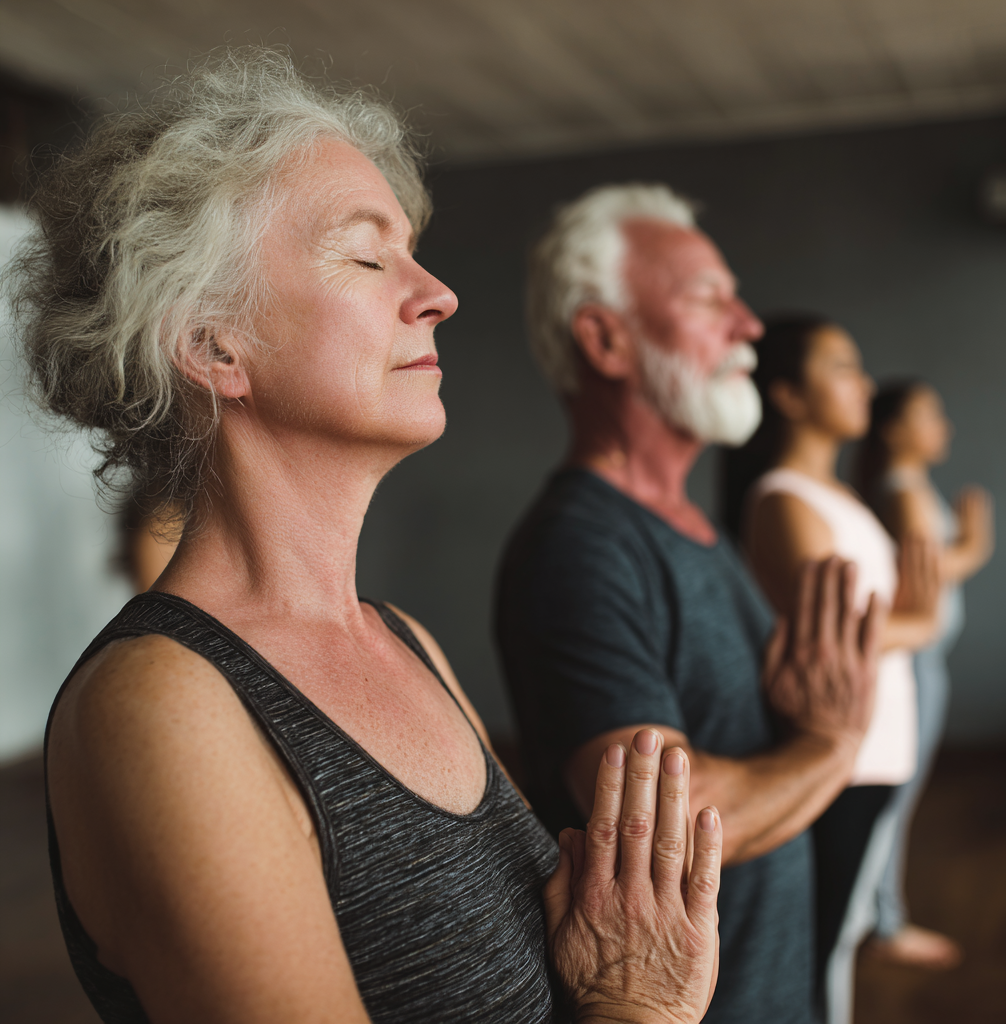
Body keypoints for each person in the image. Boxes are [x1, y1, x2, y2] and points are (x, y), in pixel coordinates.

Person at [8, 49, 726, 1024]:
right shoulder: (161, 705)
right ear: (214, 343)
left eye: (413, 251)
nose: (437, 292)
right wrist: (639, 1004)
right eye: (364, 253)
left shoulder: (404, 641)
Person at [496, 184, 882, 1024]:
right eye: (711, 298)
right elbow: (668, 824)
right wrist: (830, 745)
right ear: (606, 339)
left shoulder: (692, 527)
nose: (748, 326)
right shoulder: (581, 547)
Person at [724, 316, 941, 1024]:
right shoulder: (786, 499)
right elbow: (835, 637)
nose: (865, 385)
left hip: (873, 748)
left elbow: (874, 623)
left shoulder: (839, 497)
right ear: (786, 394)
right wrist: (921, 619)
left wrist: (904, 615)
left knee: (840, 935)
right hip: (840, 755)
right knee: (821, 944)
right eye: (843, 367)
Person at [858, 381, 993, 969]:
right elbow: (932, 581)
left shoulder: (902, 488)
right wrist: (977, 539)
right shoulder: (905, 493)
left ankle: (879, 914)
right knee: (897, 796)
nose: (944, 426)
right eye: (929, 414)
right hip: (914, 665)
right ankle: (884, 921)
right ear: (892, 428)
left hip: (920, 662)